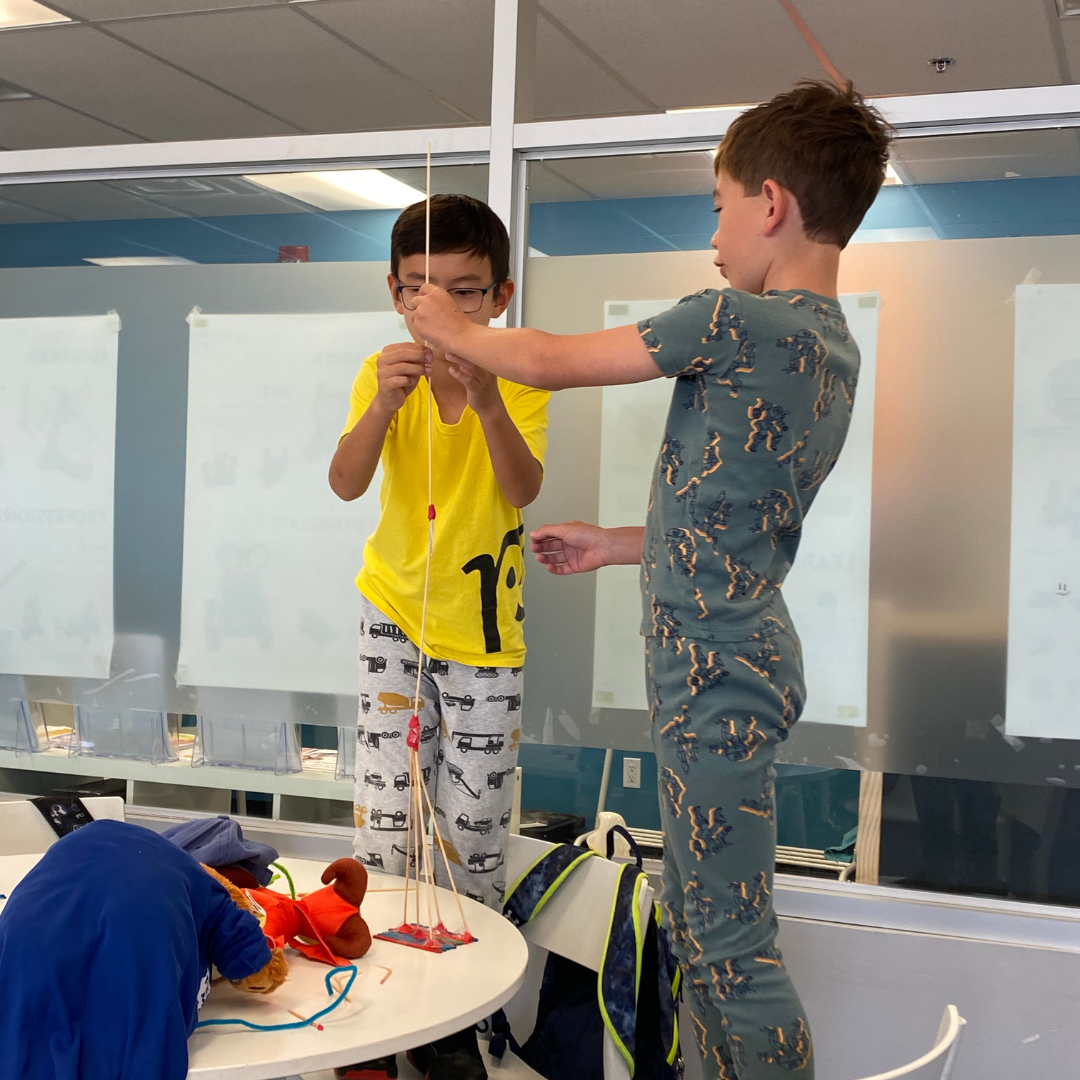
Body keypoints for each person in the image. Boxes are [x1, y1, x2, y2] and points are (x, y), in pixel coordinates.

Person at [410, 83, 892, 1080]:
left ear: (770, 203)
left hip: (714, 672)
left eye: (719, 207)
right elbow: (743, 523)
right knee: (707, 930)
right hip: (740, 656)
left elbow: (546, 360)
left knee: (727, 949)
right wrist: (615, 544)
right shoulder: (832, 347)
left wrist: (448, 325)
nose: (714, 237)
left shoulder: (733, 318)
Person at [329, 193, 549, 1080]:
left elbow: (522, 489)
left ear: (500, 295)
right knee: (386, 826)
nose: (441, 306)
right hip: (394, 611)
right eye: (420, 287)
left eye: (464, 291)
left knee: (474, 837)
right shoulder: (383, 369)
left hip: (484, 635)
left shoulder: (519, 371)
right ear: (394, 292)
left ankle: (452, 1017)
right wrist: (383, 405)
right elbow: (346, 483)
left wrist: (488, 398)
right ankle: (374, 1015)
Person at [0, 818, 275, 1080]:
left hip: (29, 928)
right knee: (132, 1033)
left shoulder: (86, 846)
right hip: (133, 943)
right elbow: (250, 958)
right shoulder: (198, 878)